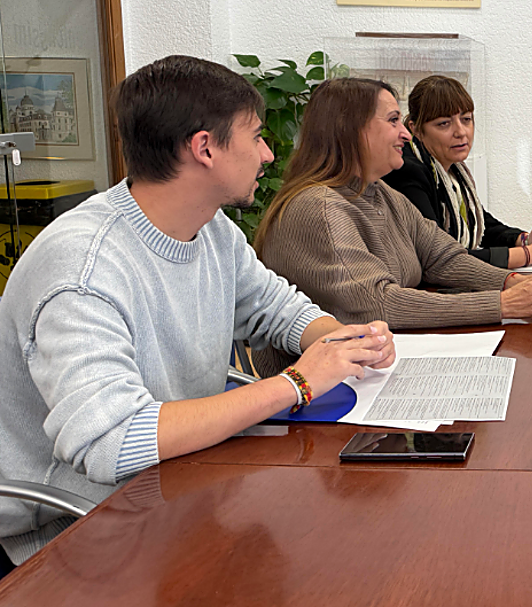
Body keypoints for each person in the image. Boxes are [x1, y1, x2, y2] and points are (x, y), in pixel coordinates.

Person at [0, 55, 397, 567]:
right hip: (73, 530)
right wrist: (295, 384)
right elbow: (111, 443)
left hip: (178, 482)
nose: (269, 155)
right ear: (205, 148)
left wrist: (345, 340)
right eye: (255, 136)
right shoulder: (83, 268)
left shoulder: (212, 230)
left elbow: (277, 308)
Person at [254, 77, 532, 353]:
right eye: (393, 121)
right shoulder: (319, 207)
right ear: (354, 131)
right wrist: (500, 304)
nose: (405, 134)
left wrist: (511, 281)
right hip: (325, 395)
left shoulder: (379, 192)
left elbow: (442, 257)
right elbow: (379, 303)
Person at [383, 75, 532, 269]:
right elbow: (440, 255)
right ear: (416, 129)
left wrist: (525, 240)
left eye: (466, 119)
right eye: (444, 123)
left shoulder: (454, 171)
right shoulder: (409, 171)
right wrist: (528, 255)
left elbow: (482, 226)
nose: (461, 132)